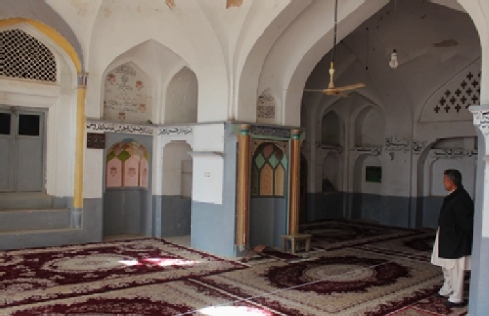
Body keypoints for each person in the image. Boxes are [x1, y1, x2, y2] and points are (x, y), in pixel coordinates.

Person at [431, 169, 474, 307]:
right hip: (448, 238)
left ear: (451, 181)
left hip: (456, 241)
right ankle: (447, 289)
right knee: (446, 266)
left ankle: (457, 297)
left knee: (455, 269)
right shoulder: (454, 196)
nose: (443, 182)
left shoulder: (460, 198)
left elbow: (466, 223)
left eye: (444, 180)